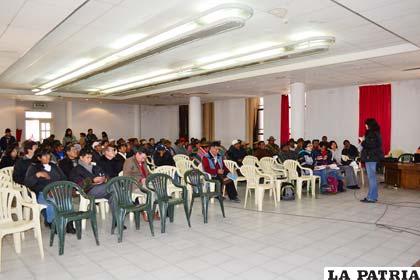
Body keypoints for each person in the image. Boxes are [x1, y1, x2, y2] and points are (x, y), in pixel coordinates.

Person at [24, 148, 73, 232]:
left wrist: (62, 186)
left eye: (48, 155)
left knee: (67, 199)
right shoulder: (34, 167)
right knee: (51, 201)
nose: (48, 157)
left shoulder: (53, 166)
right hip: (43, 192)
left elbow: (64, 178)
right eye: (45, 156)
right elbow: (28, 183)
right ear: (39, 158)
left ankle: (68, 222)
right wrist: (37, 175)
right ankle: (52, 222)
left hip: (57, 190)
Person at [360, 118, 383, 203]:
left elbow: (370, 145)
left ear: (369, 125)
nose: (365, 125)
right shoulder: (376, 133)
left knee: (371, 178)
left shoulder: (372, 133)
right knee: (372, 178)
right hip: (373, 157)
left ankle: (371, 198)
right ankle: (372, 196)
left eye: (366, 124)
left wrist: (363, 141)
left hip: (371, 158)